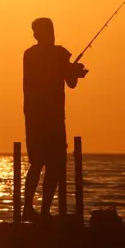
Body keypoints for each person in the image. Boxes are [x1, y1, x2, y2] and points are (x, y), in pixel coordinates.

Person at [22, 17, 88, 221]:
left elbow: (70, 81)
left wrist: (73, 72)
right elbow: (69, 80)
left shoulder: (38, 55)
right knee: (44, 162)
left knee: (52, 163)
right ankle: (34, 210)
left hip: (39, 117)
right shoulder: (50, 54)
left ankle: (38, 210)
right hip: (44, 117)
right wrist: (73, 71)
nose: (36, 35)